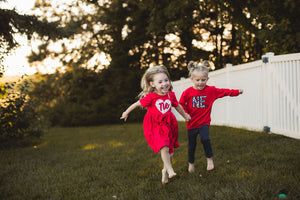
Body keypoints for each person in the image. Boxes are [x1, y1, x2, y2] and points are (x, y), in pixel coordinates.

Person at [120, 65, 191, 184]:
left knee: (170, 152)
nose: (164, 84)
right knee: (164, 146)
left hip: (169, 125)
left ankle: (164, 170)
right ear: (153, 84)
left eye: (166, 80)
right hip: (155, 125)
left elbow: (177, 106)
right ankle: (169, 169)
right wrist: (126, 112)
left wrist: (185, 115)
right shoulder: (151, 97)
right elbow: (137, 104)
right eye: (160, 82)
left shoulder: (170, 95)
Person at [179, 61, 243, 174]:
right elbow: (180, 104)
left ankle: (209, 160)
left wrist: (237, 92)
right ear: (192, 80)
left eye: (203, 80)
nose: (200, 82)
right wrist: (185, 114)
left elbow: (224, 92)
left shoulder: (211, 90)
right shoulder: (187, 92)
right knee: (191, 145)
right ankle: (191, 164)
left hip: (204, 122)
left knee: (205, 139)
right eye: (197, 80)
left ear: (207, 79)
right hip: (191, 123)